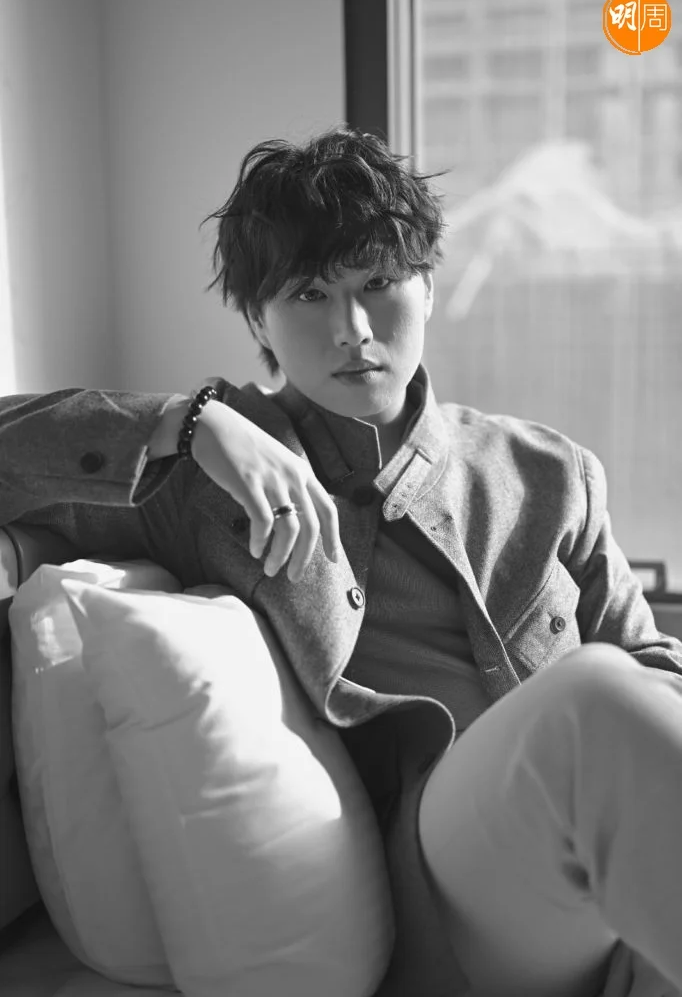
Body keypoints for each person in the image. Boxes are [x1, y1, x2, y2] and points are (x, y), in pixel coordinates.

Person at [2, 126, 682, 997]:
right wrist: (189, 421)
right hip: (447, 906)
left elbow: (653, 664)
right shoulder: (210, 484)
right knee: (590, 702)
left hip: (607, 896)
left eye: (378, 284)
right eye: (310, 294)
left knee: (610, 692)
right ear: (258, 319)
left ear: (428, 285)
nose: (352, 329)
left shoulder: (551, 473)